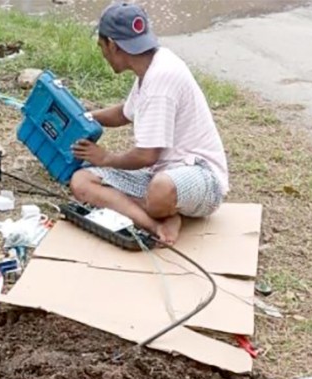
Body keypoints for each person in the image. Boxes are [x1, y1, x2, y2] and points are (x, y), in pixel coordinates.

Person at [70, 3, 229, 244]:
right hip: (160, 173)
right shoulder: (151, 64)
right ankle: (157, 223)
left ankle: (159, 209)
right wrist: (84, 116)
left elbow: (146, 156)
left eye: (101, 46)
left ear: (112, 45)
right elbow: (124, 113)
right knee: (82, 182)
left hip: (202, 177)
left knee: (160, 189)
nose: (102, 52)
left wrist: (106, 158)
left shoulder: (160, 79)